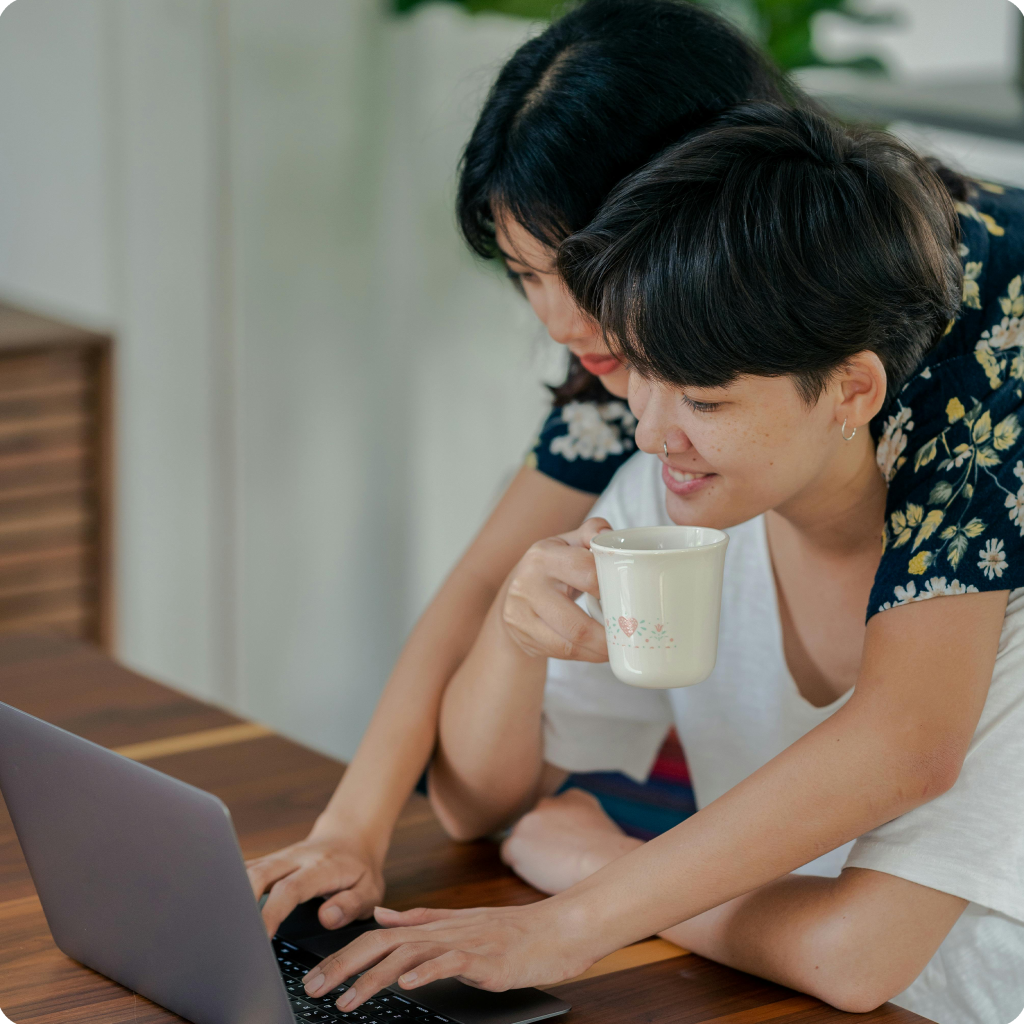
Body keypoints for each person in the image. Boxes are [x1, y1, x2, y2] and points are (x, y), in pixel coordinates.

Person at [297, 107, 1024, 1023]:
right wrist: (514, 641)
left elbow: (854, 956)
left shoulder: (981, 576)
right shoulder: (673, 501)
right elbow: (485, 803)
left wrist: (590, 892)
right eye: (638, 372)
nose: (646, 432)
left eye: (706, 402)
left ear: (853, 389)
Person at [246, 0, 800, 936]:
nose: (553, 319)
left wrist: (591, 892)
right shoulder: (614, 385)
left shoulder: (919, 343)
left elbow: (905, 744)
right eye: (522, 273)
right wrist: (352, 829)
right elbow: (478, 587)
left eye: (573, 270)